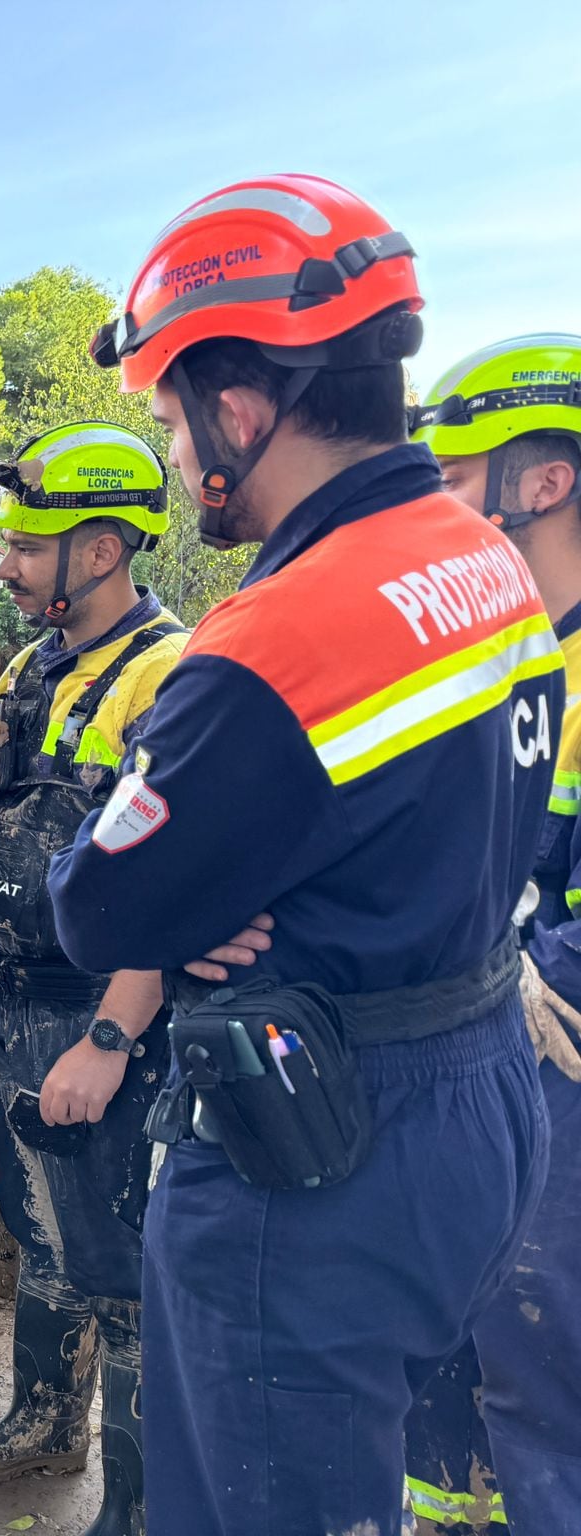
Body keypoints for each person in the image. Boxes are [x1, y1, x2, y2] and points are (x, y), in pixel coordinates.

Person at [52, 175, 557, 1535]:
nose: (170, 456)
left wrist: (203, 878)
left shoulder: (273, 640)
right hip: (473, 1100)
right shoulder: (483, 557)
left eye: (167, 417)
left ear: (240, 409)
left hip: (319, 1149)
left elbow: (100, 904)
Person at [0, 423, 185, 1536]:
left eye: (26, 545)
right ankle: (44, 1420)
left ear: (98, 550)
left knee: (124, 1261)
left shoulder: (169, 676)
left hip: (96, 1019)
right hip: (11, 1003)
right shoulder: (31, 665)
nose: (5, 562)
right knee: (41, 1234)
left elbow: (178, 881)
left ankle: (134, 1503)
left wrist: (112, 1036)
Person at [400, 334, 581, 1532]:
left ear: (543, 480)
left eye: (452, 480)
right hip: (467, 1060)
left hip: (551, 1062)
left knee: (540, 1356)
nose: (433, 511)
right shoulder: (501, 663)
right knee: (441, 1338)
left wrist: (524, 968)